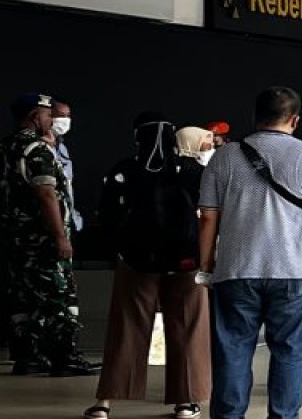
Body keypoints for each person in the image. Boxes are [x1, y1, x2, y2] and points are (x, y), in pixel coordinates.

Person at [198, 87, 302, 419]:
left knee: (232, 351)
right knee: (290, 352)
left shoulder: (225, 156)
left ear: (255, 117)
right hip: (296, 269)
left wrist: (207, 263)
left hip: (236, 268)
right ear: (295, 120)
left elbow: (208, 216)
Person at [85, 114, 209, 419]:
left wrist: (121, 249)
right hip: (186, 263)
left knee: (125, 329)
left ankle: (106, 401)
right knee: (187, 329)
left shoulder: (125, 169)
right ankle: (186, 400)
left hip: (136, 261)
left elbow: (107, 216)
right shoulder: (193, 171)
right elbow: (210, 215)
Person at [1, 92, 96, 377]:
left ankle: (29, 357)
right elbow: (46, 193)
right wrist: (60, 236)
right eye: (46, 114)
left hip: (15, 239)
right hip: (42, 239)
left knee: (23, 297)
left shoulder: (6, 147)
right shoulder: (37, 149)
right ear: (34, 117)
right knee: (60, 296)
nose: (51, 119)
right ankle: (65, 357)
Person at [47, 98, 82, 233]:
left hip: (67, 221)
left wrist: (75, 218)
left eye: (68, 116)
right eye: (61, 116)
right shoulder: (38, 146)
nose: (66, 120)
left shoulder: (62, 148)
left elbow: (67, 187)